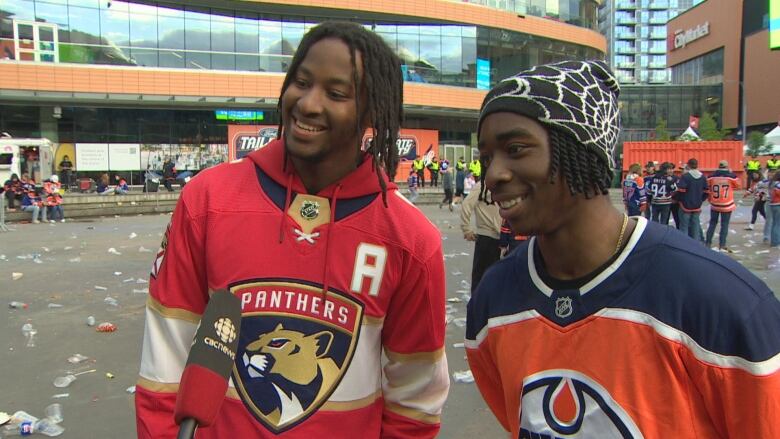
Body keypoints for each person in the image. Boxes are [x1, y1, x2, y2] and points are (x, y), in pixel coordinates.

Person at [135, 21, 449, 439]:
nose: (308, 103)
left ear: (372, 111)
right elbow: (164, 362)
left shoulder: (411, 240)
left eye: (336, 93)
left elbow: (415, 402)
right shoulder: (207, 201)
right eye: (301, 82)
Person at [465, 60, 780, 438]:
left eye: (515, 149)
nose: (494, 174)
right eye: (487, 157)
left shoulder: (725, 303)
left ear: (580, 151)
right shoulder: (493, 299)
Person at [460, 180, 501, 293]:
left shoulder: (503, 184)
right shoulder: (482, 186)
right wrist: (466, 229)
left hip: (503, 238)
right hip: (487, 237)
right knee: (481, 277)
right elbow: (466, 204)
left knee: (498, 277)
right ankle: (478, 306)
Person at [705, 160, 739, 252]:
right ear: (727, 166)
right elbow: (737, 186)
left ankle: (708, 243)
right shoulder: (731, 177)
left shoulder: (711, 176)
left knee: (712, 223)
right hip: (727, 204)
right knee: (724, 225)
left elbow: (707, 186)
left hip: (715, 203)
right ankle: (722, 244)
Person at [675, 158, 708, 241]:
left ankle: (684, 245)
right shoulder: (702, 177)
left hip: (685, 205)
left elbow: (680, 190)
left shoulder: (686, 177)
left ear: (688, 165)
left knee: (684, 227)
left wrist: (678, 199)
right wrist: (701, 200)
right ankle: (696, 245)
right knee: (696, 226)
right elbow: (706, 191)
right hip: (697, 205)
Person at [770, 170, 780, 246]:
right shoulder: (778, 184)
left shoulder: (772, 183)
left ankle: (774, 241)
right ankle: (776, 241)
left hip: (773, 204)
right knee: (777, 224)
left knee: (774, 223)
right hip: (778, 204)